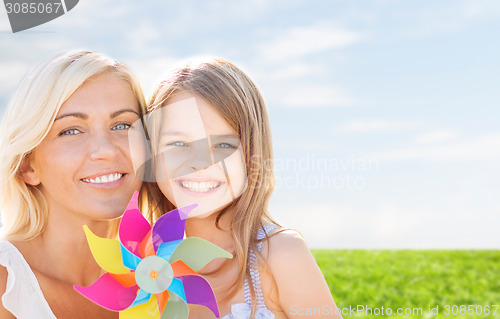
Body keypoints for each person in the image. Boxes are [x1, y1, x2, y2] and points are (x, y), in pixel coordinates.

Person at [140, 58, 342, 319]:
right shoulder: (144, 269)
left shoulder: (280, 255)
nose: (200, 164)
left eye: (223, 145)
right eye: (178, 144)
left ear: (252, 153)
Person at [0, 51, 146, 318]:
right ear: (28, 166)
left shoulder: (159, 282)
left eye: (122, 125)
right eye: (71, 130)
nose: (106, 150)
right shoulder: (6, 282)